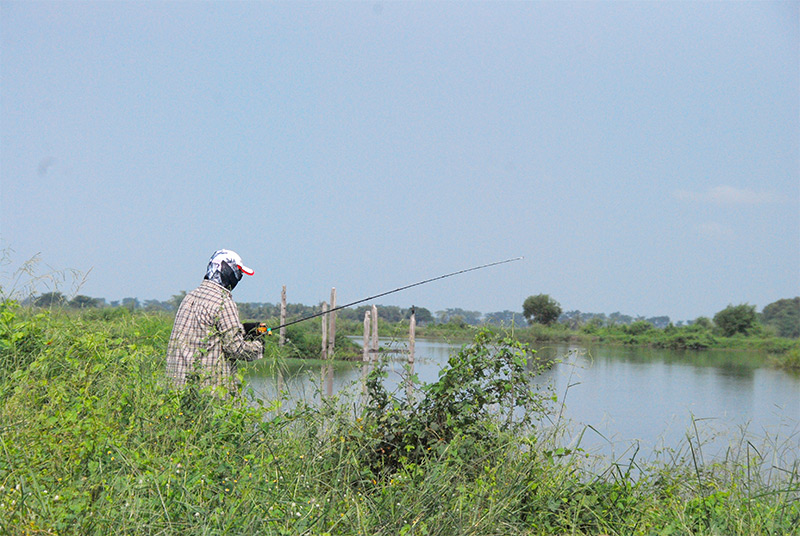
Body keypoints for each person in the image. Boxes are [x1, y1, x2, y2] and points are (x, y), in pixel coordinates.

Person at [166, 249, 263, 393]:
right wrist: (259, 345)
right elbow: (235, 349)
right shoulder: (223, 302)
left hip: (178, 389)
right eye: (238, 272)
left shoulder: (190, 297)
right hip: (209, 392)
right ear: (226, 270)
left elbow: (206, 332)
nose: (239, 276)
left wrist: (243, 328)